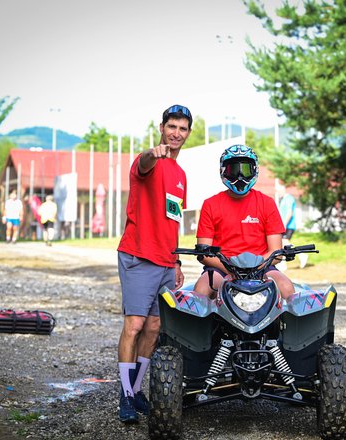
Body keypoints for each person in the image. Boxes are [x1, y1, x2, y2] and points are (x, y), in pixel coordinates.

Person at [116, 104, 191, 423]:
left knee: (154, 327)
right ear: (162, 128)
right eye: (171, 126)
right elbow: (144, 164)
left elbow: (173, 220)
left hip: (164, 260)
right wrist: (152, 152)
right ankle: (125, 396)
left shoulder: (181, 175)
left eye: (183, 129)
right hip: (138, 255)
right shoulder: (148, 161)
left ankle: (136, 389)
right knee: (133, 325)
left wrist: (175, 261)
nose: (176, 133)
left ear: (188, 133)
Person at [194, 144, 295, 300]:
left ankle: (283, 325)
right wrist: (232, 270)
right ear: (223, 170)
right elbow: (204, 253)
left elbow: (276, 252)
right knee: (201, 290)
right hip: (222, 269)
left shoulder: (266, 203)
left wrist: (252, 269)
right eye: (233, 169)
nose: (240, 175)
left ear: (254, 170)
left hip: (262, 268)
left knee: (286, 287)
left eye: (245, 169)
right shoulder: (210, 204)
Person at [276, 184, 308, 270]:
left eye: (278, 192)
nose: (278, 193)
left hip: (289, 225)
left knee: (284, 243)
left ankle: (302, 255)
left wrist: (284, 224)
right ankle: (283, 264)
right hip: (284, 225)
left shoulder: (289, 198)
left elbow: (290, 212)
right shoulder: (282, 199)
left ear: (283, 190)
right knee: (283, 243)